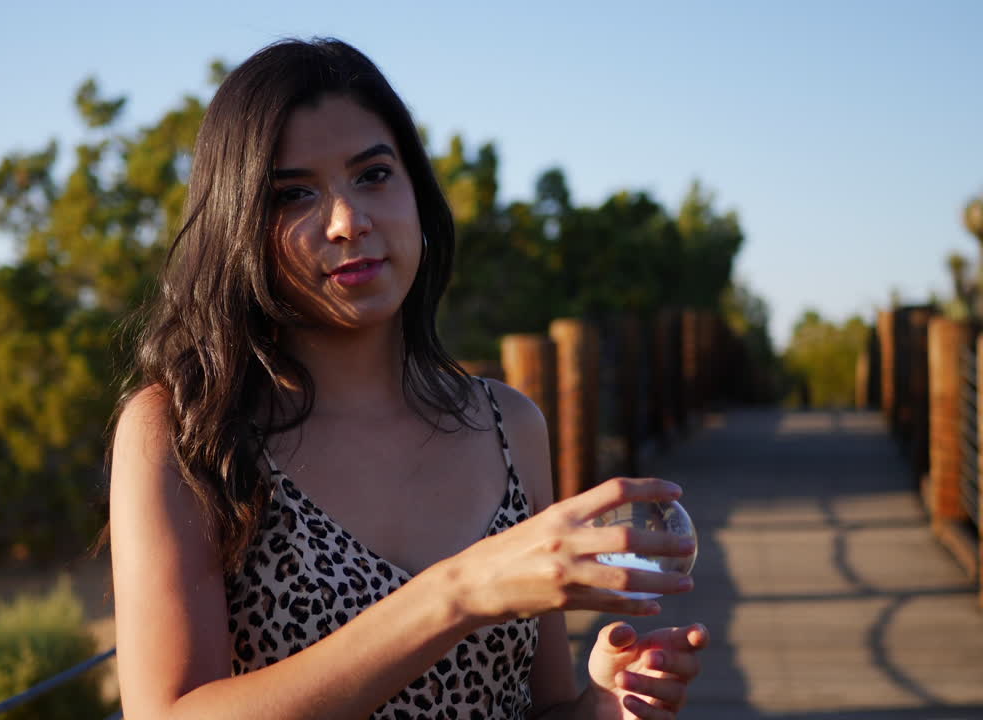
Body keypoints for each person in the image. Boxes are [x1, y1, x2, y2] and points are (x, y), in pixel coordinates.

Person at [105, 37, 707, 720]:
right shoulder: (186, 432)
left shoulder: (508, 426)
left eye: (373, 175)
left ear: (416, 188)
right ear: (238, 222)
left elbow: (536, 710)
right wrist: (459, 592)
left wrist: (603, 707)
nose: (348, 221)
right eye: (294, 194)